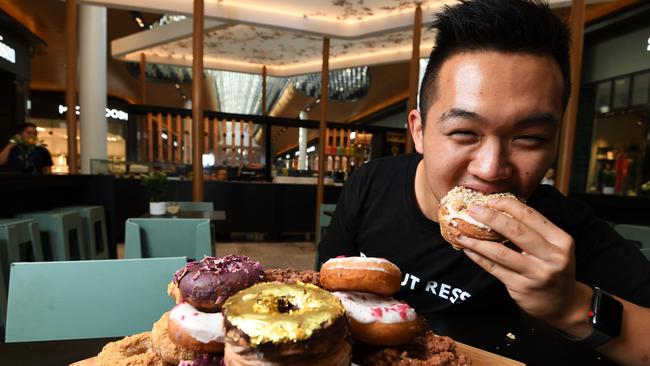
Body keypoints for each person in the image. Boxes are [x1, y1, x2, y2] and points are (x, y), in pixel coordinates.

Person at [318, 1, 650, 365]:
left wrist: (571, 304)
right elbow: (324, 293)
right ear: (419, 130)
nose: (491, 169)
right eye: (464, 132)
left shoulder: (561, 228)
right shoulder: (371, 184)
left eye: (530, 138)